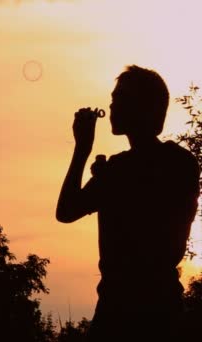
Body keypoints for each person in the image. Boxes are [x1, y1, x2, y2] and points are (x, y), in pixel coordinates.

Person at [56, 65, 200, 340]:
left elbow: (67, 211)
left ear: (142, 108)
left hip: (130, 310)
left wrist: (82, 151)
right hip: (153, 308)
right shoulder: (176, 163)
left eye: (119, 99)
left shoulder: (125, 170)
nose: (111, 106)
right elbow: (66, 212)